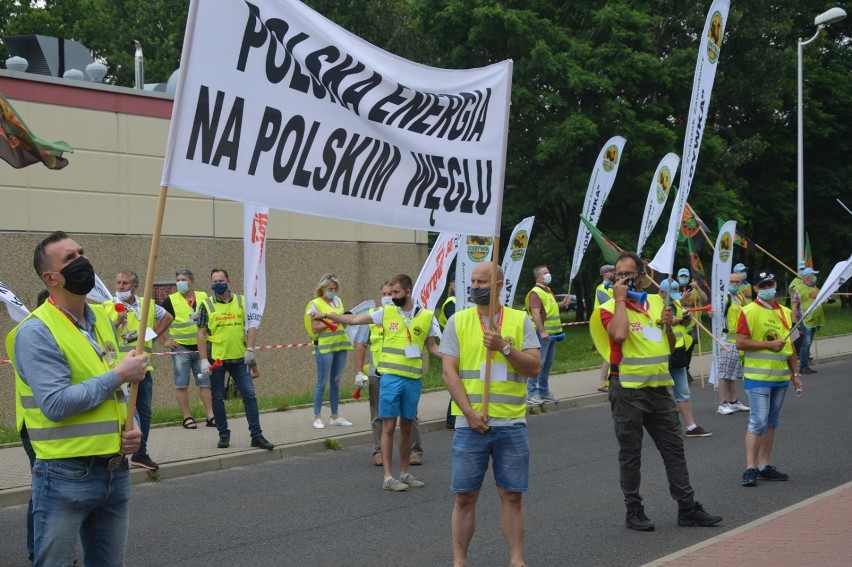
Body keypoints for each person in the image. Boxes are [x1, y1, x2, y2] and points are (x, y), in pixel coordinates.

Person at [6, 231, 147, 566]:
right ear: (50, 278)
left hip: (114, 470)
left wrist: (134, 426)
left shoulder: (100, 322)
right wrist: (118, 375)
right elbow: (55, 404)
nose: (82, 261)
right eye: (70, 258)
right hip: (64, 476)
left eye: (81, 252)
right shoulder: (35, 331)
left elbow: (120, 389)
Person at [594, 251, 722, 531]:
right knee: (631, 454)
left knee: (674, 450)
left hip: (660, 389)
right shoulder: (607, 306)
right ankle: (634, 511)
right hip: (627, 391)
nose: (623, 279)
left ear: (642, 277)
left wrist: (667, 326)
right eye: (619, 275)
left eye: (628, 274)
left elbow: (669, 345)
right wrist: (619, 300)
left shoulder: (655, 301)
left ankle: (687, 508)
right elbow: (618, 335)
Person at [440, 262, 540, 567]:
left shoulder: (520, 321)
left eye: (482, 282)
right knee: (464, 497)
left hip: (510, 423)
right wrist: (468, 412)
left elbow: (534, 367)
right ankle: (459, 561)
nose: (475, 287)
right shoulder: (458, 322)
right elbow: (448, 371)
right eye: (472, 281)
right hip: (471, 425)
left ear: (498, 285)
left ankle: (517, 560)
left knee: (512, 496)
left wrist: (504, 348)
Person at [319, 274, 440, 492]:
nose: (391, 297)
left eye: (396, 293)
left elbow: (432, 347)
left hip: (413, 380)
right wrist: (328, 314)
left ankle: (404, 473)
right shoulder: (386, 312)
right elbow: (355, 320)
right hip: (390, 378)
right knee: (388, 426)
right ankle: (387, 477)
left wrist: (452, 357)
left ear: (408, 292)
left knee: (407, 427)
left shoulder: (427, 316)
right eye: (389, 293)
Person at [736, 271, 803, 487]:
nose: (767, 287)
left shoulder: (784, 312)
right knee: (758, 422)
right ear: (756, 288)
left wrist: (795, 374)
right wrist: (768, 345)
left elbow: (791, 346)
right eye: (763, 285)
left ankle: (764, 465)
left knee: (772, 423)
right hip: (757, 377)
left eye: (770, 284)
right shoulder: (748, 311)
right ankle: (749, 468)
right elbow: (740, 342)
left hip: (781, 378)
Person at [104, 269, 174, 471]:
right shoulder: (108, 306)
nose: (120, 287)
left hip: (143, 366)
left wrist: (153, 335)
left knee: (144, 411)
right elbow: (101, 333)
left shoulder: (146, 304)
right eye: (118, 283)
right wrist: (117, 322)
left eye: (125, 284)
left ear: (134, 286)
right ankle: (115, 454)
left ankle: (140, 453)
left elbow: (168, 317)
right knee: (123, 412)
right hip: (120, 369)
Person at [197, 268, 274, 451]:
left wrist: (250, 349)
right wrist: (203, 360)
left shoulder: (242, 301)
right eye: (214, 281)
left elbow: (252, 326)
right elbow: (200, 335)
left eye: (221, 280)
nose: (217, 284)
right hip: (217, 360)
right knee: (217, 399)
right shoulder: (206, 305)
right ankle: (223, 435)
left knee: (250, 396)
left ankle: (256, 435)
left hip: (240, 358)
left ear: (229, 281)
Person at [352, 281, 424, 467]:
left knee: (410, 416)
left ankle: (415, 451)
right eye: (385, 293)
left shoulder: (408, 315)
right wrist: (359, 371)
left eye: (391, 293)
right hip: (378, 373)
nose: (388, 297)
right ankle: (379, 452)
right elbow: (360, 344)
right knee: (379, 416)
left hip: (404, 372)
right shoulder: (374, 315)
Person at [159, 269, 215, 428]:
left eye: (183, 279)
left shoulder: (203, 297)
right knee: (181, 384)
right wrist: (164, 341)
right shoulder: (171, 300)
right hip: (180, 350)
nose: (180, 283)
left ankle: (210, 415)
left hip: (201, 349)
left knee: (205, 383)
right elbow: (157, 322)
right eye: (177, 280)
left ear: (191, 281)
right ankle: (187, 417)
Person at [659, 279, 712, 437]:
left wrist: (684, 319)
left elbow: (685, 325)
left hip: (678, 353)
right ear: (661, 292)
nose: (674, 298)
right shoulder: (653, 306)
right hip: (661, 355)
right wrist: (667, 322)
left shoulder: (675, 304)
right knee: (659, 394)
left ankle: (691, 427)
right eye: (671, 294)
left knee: (683, 392)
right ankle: (662, 429)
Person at [304, 273, 354, 429]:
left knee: (336, 382)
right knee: (322, 382)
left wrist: (344, 320)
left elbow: (342, 323)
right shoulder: (315, 304)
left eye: (335, 288)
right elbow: (314, 328)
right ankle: (317, 417)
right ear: (322, 288)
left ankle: (335, 415)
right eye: (330, 288)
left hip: (340, 345)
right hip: (325, 347)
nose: (333, 291)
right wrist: (331, 322)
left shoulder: (338, 301)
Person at [523, 265, 570, 404]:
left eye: (548, 272)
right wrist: (542, 331)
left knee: (547, 364)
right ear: (538, 277)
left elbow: (550, 309)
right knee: (539, 364)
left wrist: (562, 304)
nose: (549, 274)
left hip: (552, 334)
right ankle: (532, 393)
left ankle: (544, 391)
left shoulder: (547, 290)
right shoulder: (536, 292)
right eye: (545, 273)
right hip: (542, 333)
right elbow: (536, 313)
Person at [716, 271, 749, 414]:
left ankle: (734, 401)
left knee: (732, 374)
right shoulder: (723, 298)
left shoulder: (739, 297)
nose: (735, 284)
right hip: (726, 342)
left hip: (737, 341)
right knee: (724, 374)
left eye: (737, 282)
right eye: (732, 282)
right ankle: (722, 404)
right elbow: (715, 313)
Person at [677, 267, 708, 382]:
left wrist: (697, 287)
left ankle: (686, 370)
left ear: (689, 278)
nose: (683, 278)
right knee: (680, 348)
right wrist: (682, 298)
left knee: (689, 349)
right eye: (681, 276)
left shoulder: (694, 290)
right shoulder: (675, 290)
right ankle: (681, 370)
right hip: (679, 324)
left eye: (685, 276)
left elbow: (704, 299)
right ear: (678, 277)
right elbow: (670, 304)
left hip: (692, 324)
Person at [791, 267, 824, 375]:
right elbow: (794, 305)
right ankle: (803, 366)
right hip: (805, 320)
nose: (815, 277)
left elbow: (821, 300)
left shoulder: (815, 288)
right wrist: (794, 321)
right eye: (813, 275)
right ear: (808, 277)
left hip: (814, 320)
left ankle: (805, 365)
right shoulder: (799, 289)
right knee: (806, 343)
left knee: (808, 343)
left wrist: (828, 300)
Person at [439, 275, 458, 429]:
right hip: (453, 347)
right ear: (452, 284)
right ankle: (451, 419)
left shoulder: (461, 302)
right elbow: (456, 323)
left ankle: (453, 419)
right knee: (457, 382)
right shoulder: (451, 303)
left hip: (458, 346)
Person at [595, 264, 615, 393]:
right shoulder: (601, 288)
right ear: (606, 274)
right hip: (604, 323)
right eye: (613, 271)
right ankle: (603, 382)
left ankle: (608, 380)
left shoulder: (612, 288)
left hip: (611, 322)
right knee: (609, 353)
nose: (615, 273)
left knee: (611, 353)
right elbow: (610, 305)